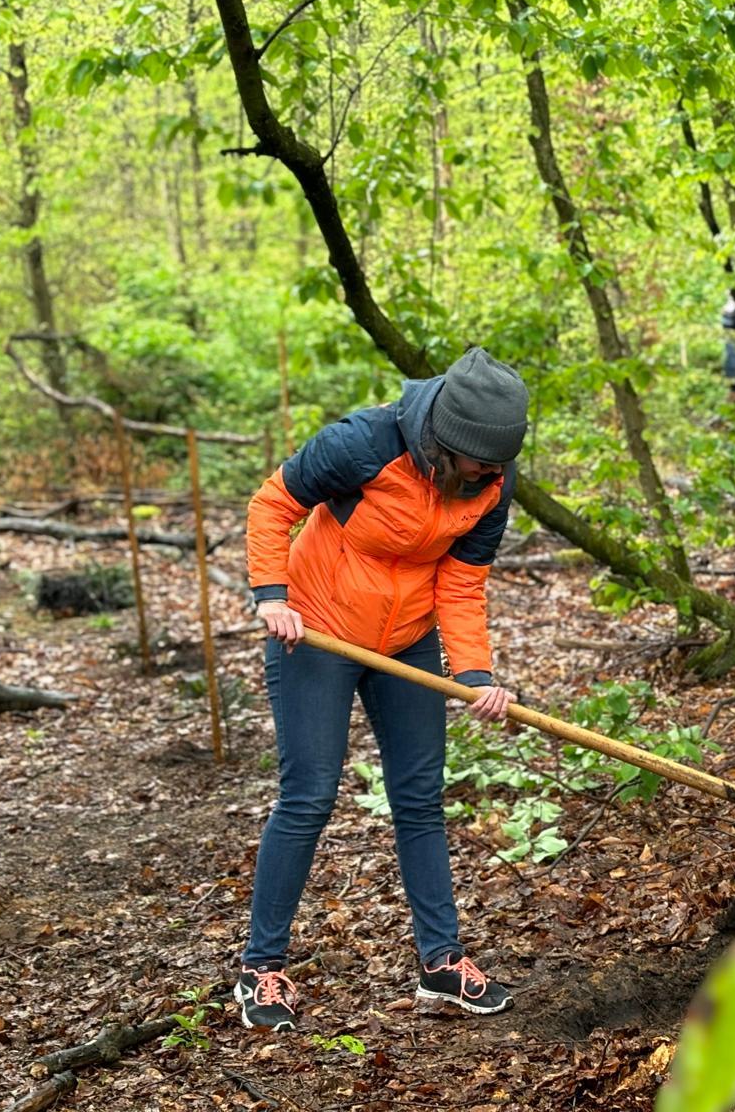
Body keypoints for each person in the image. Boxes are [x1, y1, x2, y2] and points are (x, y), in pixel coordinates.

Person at [237, 346, 529, 1030]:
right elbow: (272, 503)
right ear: (446, 444)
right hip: (315, 632)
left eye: (498, 467)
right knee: (309, 794)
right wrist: (272, 595)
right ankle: (260, 969)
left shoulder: (491, 483)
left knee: (420, 799)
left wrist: (476, 673)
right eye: (481, 465)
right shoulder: (364, 443)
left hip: (408, 640)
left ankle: (440, 962)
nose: (492, 477)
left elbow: (461, 580)